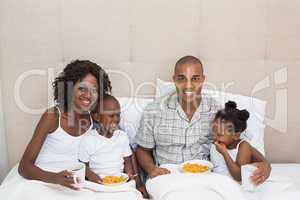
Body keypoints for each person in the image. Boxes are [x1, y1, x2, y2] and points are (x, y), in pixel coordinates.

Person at [135, 55, 271, 185]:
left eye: (195, 78)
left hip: (204, 177)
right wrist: (151, 169)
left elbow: (241, 142)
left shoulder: (216, 111)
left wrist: (265, 164)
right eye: (182, 78)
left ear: (203, 79)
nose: (188, 85)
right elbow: (142, 150)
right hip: (167, 176)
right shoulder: (153, 110)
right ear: (174, 80)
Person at [18, 60, 112, 190]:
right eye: (82, 89)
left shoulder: (93, 118)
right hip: (44, 180)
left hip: (74, 182)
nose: (88, 95)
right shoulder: (53, 116)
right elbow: (24, 167)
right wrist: (55, 178)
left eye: (94, 90)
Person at [78, 94, 148, 197]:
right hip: (98, 184)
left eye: (118, 115)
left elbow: (128, 161)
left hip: (120, 182)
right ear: (97, 117)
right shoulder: (88, 139)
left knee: (133, 195)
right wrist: (94, 178)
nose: (116, 119)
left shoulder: (122, 136)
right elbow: (83, 165)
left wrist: (131, 176)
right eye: (111, 115)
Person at [210, 101, 268, 182]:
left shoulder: (243, 147)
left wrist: (225, 153)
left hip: (235, 185)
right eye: (213, 131)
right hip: (217, 182)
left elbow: (239, 176)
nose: (215, 137)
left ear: (236, 135)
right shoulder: (216, 144)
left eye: (219, 135)